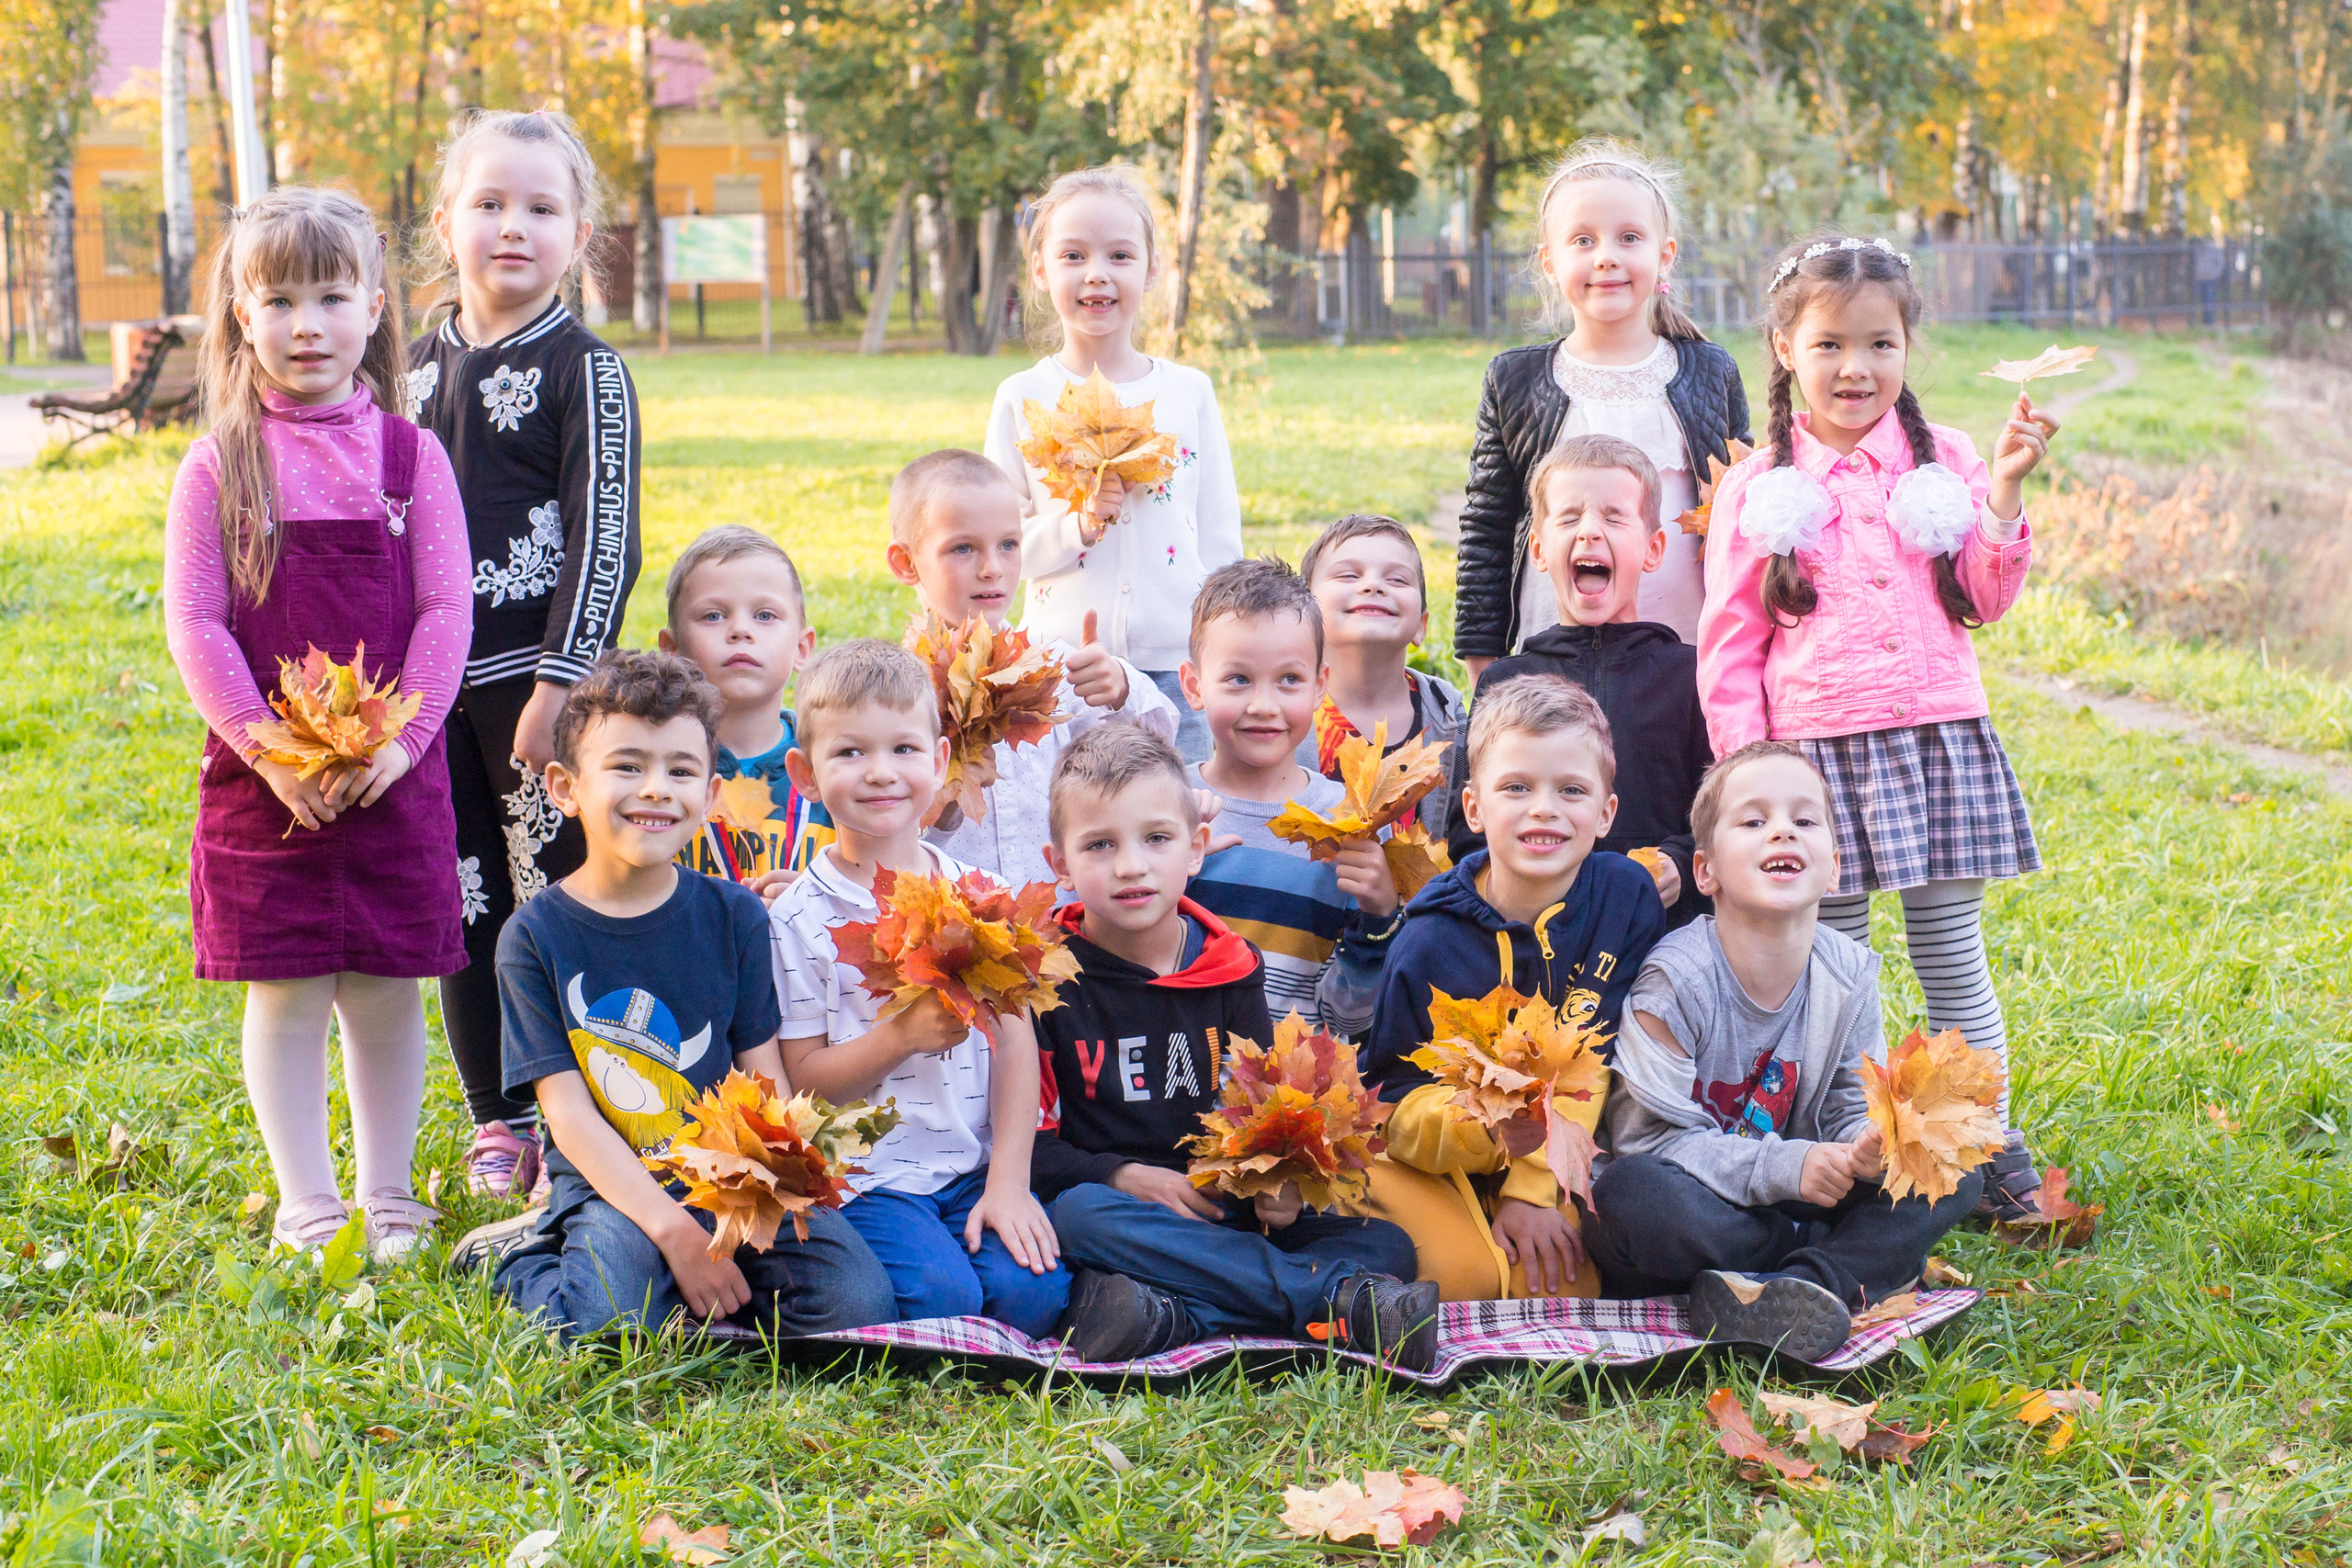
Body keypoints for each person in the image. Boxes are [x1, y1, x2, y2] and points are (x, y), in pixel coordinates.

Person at [1697, 234, 2059, 1222]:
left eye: (1878, 344)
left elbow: (1984, 597)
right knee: (1835, 961)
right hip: (1812, 762)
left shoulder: (1946, 460)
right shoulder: (1760, 486)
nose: (1854, 369)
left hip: (1938, 738)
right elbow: (1729, 641)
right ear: (1784, 349)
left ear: (1906, 347)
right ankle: (1851, 1150)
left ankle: (1981, 1142)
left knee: (1950, 949)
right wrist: (1748, 773)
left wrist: (2006, 494)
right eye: (1828, 345)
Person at [163, 186, 469, 1263]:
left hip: (393, 772)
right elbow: (198, 622)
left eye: (331, 297)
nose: (306, 324)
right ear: (241, 315)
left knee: (387, 991)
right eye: (278, 298)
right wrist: (266, 749)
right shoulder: (218, 466)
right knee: (288, 991)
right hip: (269, 783)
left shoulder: (409, 459)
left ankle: (389, 1194)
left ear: (375, 308)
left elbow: (444, 612)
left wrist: (400, 745)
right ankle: (310, 1200)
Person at [449, 653, 895, 1340]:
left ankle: (685, 1298)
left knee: (855, 1303)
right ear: (566, 786)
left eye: (680, 770)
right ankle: (520, 1257)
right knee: (610, 1321)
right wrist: (674, 1234)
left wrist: (779, 1176)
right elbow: (568, 1116)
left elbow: (762, 1073)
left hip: (731, 1172)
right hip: (611, 1182)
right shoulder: (534, 937)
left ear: (711, 790)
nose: (656, 789)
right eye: (628, 766)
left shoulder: (736, 917)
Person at [1029, 727, 1438, 1370]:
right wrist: (1122, 1175)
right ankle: (1333, 1300)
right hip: (1123, 1208)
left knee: (1389, 1247)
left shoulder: (1231, 963)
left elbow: (1257, 1119)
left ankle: (1169, 1315)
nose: (1131, 865)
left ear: (1195, 849)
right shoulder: (1048, 981)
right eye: (1100, 844)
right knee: (1079, 1217)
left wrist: (1277, 1186)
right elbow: (1032, 1149)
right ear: (1059, 863)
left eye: (1156, 839)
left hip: (1221, 1206)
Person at [408, 107, 644, 1201]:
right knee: (460, 902)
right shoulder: (400, 369)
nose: (513, 226)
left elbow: (606, 534)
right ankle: (497, 1120)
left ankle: (590, 1111)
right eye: (489, 203)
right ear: (446, 220)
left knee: (550, 893)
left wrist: (566, 680)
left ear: (577, 231)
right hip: (420, 694)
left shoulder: (584, 370)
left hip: (535, 687)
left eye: (541, 208)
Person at [1583, 742, 1982, 1361]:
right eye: (1753, 820)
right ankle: (1827, 1265)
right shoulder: (1675, 983)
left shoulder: (1848, 974)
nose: (1781, 833)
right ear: (1706, 871)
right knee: (1632, 1195)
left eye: (1803, 820)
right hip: (1704, 1197)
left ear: (1833, 866)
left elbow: (1850, 1106)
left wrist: (1869, 1145)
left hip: (1808, 1185)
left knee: (1955, 1166)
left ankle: (1799, 1285)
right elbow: (1647, 1143)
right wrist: (1790, 1167)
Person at [767, 641, 1070, 1335]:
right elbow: (805, 1082)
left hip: (973, 1165)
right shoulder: (798, 920)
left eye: (903, 749)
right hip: (869, 1182)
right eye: (849, 753)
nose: (880, 773)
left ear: (938, 761)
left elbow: (1018, 1048)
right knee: (942, 1299)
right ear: (804, 774)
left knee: (1035, 1298)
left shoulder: (978, 895)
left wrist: (1009, 1183)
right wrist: (898, 1037)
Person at [1362, 676, 1667, 1303]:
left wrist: (1532, 1187)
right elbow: (1392, 1106)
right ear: (1474, 807)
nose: (1544, 809)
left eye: (1572, 790)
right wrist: (1491, 1136)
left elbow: (1591, 1061)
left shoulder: (1625, 899)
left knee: (1566, 1281)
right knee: (1468, 1278)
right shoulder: (1428, 943)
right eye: (1517, 787)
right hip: (1432, 1149)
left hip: (1556, 1150)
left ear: (1607, 812)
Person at [1453, 139, 1751, 674]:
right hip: (1555, 645)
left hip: (1686, 650)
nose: (1607, 256)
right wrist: (1483, 663)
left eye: (1629, 237)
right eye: (1583, 240)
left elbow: (1744, 521)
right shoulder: (1516, 381)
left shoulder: (1711, 373)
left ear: (1665, 255)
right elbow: (1488, 530)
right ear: (1550, 262)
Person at [984, 164, 1242, 762]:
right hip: (1060, 677)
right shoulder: (1023, 397)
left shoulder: (1188, 393)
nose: (1096, 274)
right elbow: (1000, 550)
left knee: (1177, 829)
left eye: (1119, 256)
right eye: (1073, 256)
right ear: (1041, 271)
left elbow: (1220, 541)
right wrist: (1074, 528)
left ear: (1151, 270)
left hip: (1178, 676)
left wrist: (1221, 650)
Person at [1440, 435, 1713, 928]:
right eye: (1569, 518)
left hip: (1662, 936)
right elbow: (1469, 827)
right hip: (1534, 938)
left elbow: (1722, 808)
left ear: (1653, 550)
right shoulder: (1506, 680)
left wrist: (1680, 862)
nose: (1589, 532)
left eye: (1613, 517)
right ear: (1540, 552)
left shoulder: (1691, 675)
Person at [884, 448, 1177, 893]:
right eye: (963, 548)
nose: (992, 569)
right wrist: (941, 807)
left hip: (1066, 931)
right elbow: (877, 839)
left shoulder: (1053, 669)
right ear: (906, 563)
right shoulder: (892, 695)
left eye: (1009, 545)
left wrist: (1119, 687)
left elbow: (1159, 749)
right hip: (953, 932)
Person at [1179, 558, 1400, 1036]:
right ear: (1194, 686)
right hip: (1175, 1090)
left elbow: (1350, 1016)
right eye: (1238, 679)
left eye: (1289, 680)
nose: (1264, 705)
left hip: (1294, 1099)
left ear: (1321, 685)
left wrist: (1379, 915)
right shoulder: (1167, 808)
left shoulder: (1350, 822)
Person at [656, 525, 831, 893]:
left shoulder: (834, 761)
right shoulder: (653, 770)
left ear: (802, 648)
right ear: (671, 650)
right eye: (714, 616)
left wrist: (820, 901)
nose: (740, 630)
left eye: (765, 615)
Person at [1295, 513, 1465, 836]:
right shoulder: (1283, 712)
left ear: (1421, 626)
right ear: (1304, 614)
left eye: (1398, 580)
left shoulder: (1451, 721)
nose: (1372, 585)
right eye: (1348, 575)